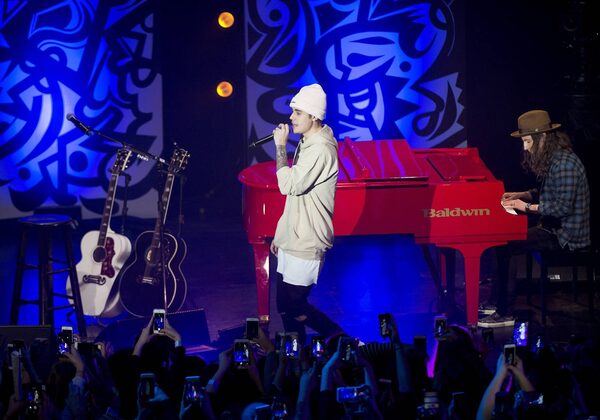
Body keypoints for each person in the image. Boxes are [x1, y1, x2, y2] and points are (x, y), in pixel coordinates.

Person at [478, 109, 590, 327]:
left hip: (566, 235)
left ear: (543, 137)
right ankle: (496, 302)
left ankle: (504, 311)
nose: (525, 147)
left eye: (528, 141)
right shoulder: (555, 159)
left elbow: (561, 208)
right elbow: (548, 193)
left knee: (506, 244)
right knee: (502, 239)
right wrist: (522, 195)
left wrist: (525, 206)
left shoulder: (565, 164)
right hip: (552, 227)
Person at [270, 83, 344, 345]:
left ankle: (345, 342)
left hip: (307, 239)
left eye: (298, 112)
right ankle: (297, 357)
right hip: (293, 237)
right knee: (285, 306)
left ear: (313, 115)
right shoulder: (308, 141)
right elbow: (295, 199)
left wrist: (280, 147)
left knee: (295, 306)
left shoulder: (321, 148)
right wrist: (281, 234)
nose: (291, 118)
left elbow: (289, 185)